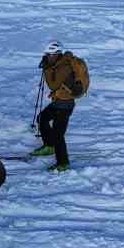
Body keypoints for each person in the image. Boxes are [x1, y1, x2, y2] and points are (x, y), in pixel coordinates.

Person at [31, 41, 84, 172]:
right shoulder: (59, 63)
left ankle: (63, 163)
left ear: (57, 54)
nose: (47, 56)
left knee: (58, 135)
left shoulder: (63, 68)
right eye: (47, 54)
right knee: (42, 118)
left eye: (49, 55)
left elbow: (53, 86)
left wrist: (47, 69)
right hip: (59, 102)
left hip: (65, 106)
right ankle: (49, 146)